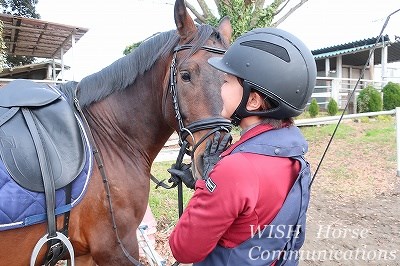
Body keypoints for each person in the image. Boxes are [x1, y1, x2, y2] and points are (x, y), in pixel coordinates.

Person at [167, 27, 317, 265]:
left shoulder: (236, 169)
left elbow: (183, 249)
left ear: (253, 100)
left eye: (226, 82)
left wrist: (206, 185)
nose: (219, 89)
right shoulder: (295, 159)